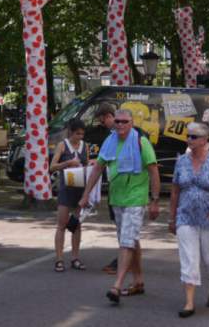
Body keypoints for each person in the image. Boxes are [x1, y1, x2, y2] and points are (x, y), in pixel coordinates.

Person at [79, 109, 160, 305]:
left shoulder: (141, 142)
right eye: (118, 122)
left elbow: (154, 171)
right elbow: (98, 168)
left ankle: (117, 284)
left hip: (136, 198)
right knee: (131, 240)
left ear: (132, 123)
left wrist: (155, 200)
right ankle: (138, 281)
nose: (121, 125)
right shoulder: (110, 142)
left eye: (125, 122)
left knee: (126, 242)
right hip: (116, 198)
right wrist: (86, 193)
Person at [169, 122, 209, 318]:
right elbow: (175, 191)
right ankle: (189, 302)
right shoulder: (182, 161)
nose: (189, 140)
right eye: (188, 136)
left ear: (204, 140)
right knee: (189, 259)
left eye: (193, 137)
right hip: (185, 216)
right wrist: (172, 217)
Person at [51, 119, 90, 273]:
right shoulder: (62, 145)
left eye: (82, 134)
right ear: (70, 132)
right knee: (61, 224)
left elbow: (86, 164)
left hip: (79, 189)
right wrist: (67, 163)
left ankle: (75, 257)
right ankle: (59, 259)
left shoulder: (84, 146)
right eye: (77, 134)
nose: (79, 137)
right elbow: (52, 166)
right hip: (66, 189)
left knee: (76, 225)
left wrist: (89, 166)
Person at [92, 102, 120, 275]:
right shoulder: (111, 135)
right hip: (113, 184)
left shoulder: (118, 134)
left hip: (121, 186)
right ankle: (124, 258)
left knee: (123, 226)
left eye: (103, 122)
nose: (102, 126)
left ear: (109, 116)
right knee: (120, 225)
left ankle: (123, 260)